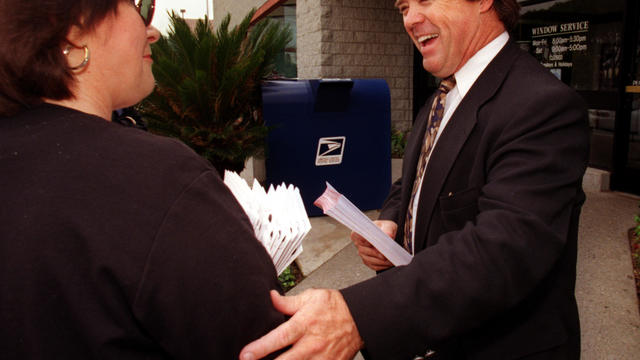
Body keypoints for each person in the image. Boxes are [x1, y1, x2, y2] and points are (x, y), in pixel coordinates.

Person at [240, 0, 589, 359]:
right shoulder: (440, 98)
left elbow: (503, 250)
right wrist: (390, 220)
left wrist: (357, 316)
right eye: (404, 6)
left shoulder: (543, 106)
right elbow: (413, 179)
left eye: (425, 0)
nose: (411, 18)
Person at [0, 0, 285, 358]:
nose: (154, 31)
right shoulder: (159, 179)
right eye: (140, 8)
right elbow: (271, 345)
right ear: (73, 29)